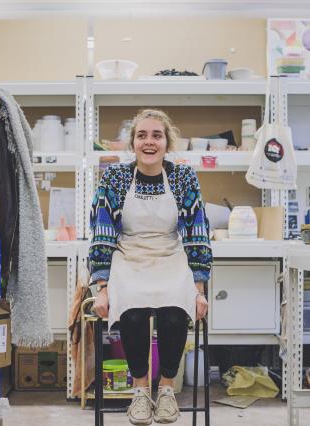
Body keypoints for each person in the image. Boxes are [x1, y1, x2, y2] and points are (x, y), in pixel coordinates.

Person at [89, 109, 212, 425]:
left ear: (167, 143)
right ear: (133, 142)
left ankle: (167, 390)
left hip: (171, 257)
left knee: (174, 312)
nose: (149, 141)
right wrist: (102, 288)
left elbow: (197, 231)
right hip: (128, 258)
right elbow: (103, 231)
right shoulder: (115, 178)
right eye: (142, 135)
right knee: (133, 312)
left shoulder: (183, 177)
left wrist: (198, 289)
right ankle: (141, 393)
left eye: (156, 135)